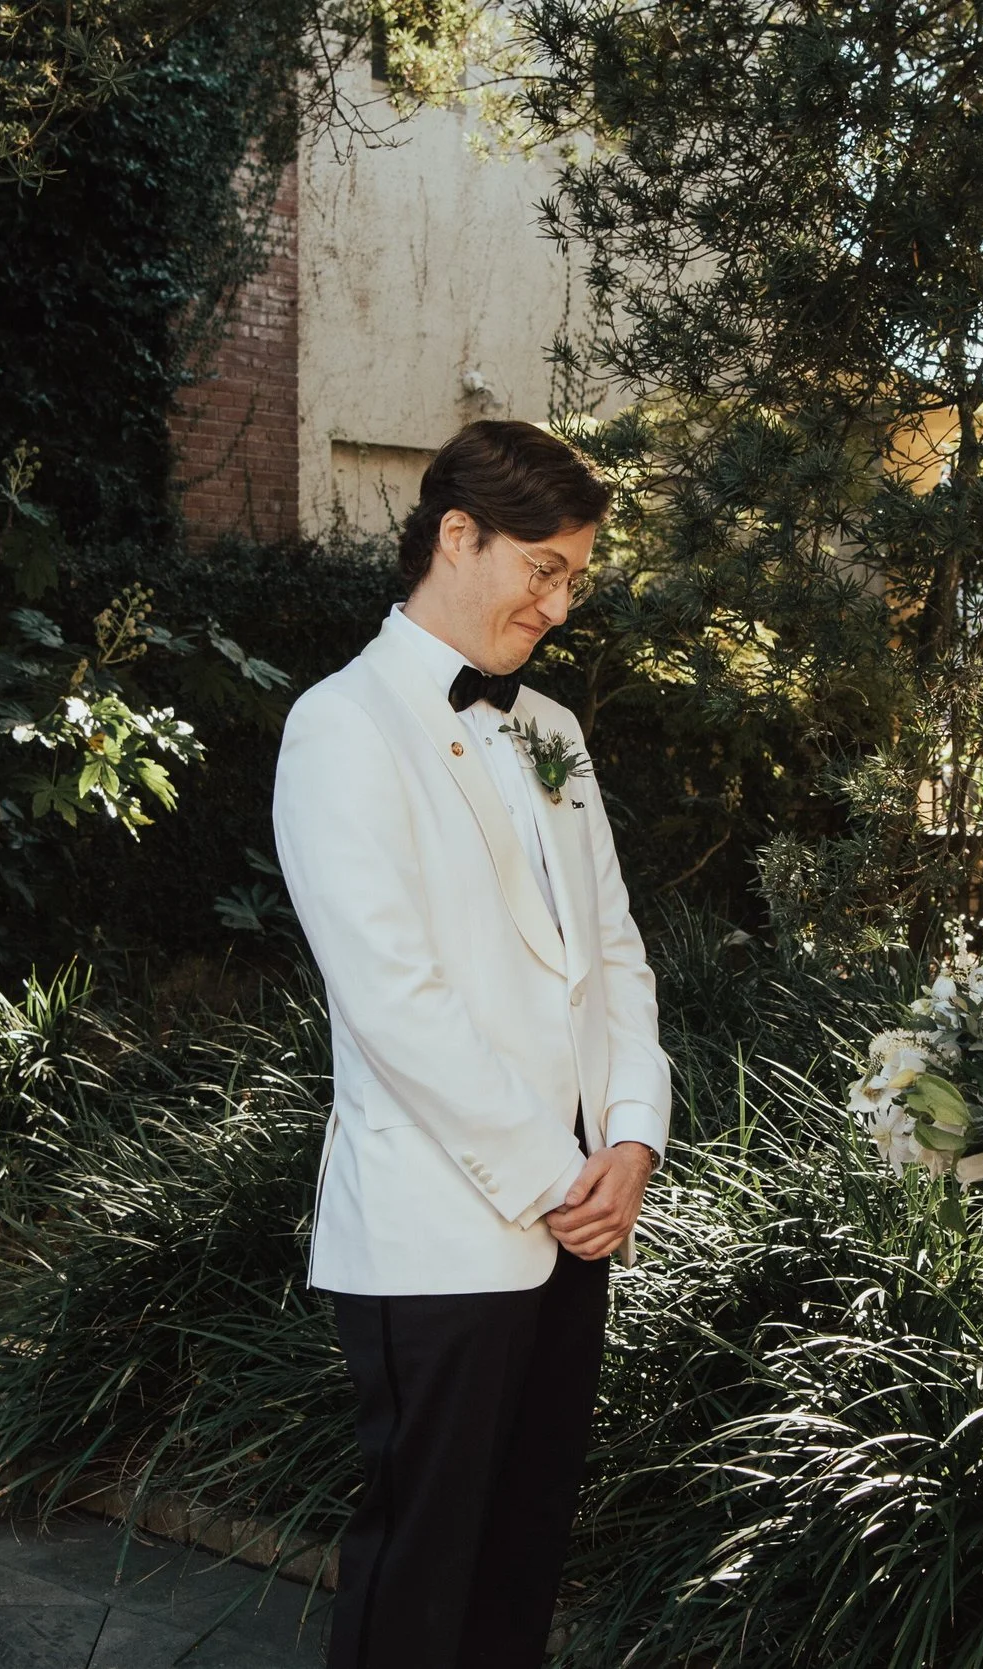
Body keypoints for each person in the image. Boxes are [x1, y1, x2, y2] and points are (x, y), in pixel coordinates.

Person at [271, 419, 672, 1669]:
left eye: (573, 578)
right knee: (419, 1575)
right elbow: (396, 1001)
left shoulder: (554, 727)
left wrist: (630, 1138)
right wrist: (555, 1177)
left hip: (578, 1216)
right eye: (542, 569)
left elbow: (613, 949)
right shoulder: (339, 726)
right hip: (438, 1229)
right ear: (458, 536)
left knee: (520, 1560)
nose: (558, 603)